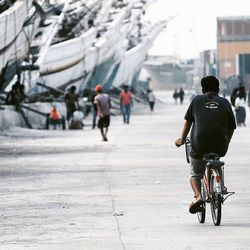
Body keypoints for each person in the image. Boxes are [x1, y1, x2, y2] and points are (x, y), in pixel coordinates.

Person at [175, 76, 236, 214]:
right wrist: (227, 140)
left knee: (195, 174)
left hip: (199, 145)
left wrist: (182, 139)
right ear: (218, 88)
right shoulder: (225, 102)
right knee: (216, 156)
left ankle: (198, 197)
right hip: (220, 145)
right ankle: (220, 185)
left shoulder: (196, 100)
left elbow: (188, 122)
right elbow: (232, 126)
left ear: (202, 89)